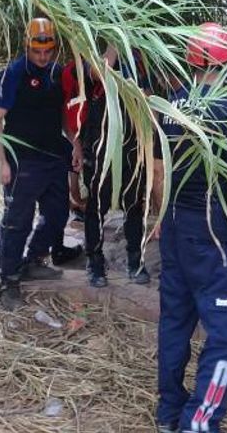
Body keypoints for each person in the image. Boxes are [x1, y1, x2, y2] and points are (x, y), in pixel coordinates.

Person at [152, 23, 227, 433]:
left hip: (174, 226)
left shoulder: (170, 106)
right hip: (209, 231)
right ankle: (199, 422)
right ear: (226, 63)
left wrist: (160, 216)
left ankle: (168, 413)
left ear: (190, 59)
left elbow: (158, 171)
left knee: (175, 320)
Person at [0, 17, 80, 309]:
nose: (42, 57)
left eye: (47, 51)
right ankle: (9, 281)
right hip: (22, 161)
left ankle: (34, 260)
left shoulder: (58, 74)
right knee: (18, 222)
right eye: (36, 51)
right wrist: (0, 162)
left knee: (58, 215)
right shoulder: (10, 76)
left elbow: (63, 114)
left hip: (54, 157)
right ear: (27, 46)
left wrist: (75, 143)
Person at [64, 44, 152, 288]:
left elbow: (148, 95)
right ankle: (95, 263)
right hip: (98, 145)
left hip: (131, 145)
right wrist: (114, 46)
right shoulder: (90, 58)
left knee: (134, 205)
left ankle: (135, 261)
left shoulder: (137, 59)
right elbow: (99, 73)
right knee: (95, 207)